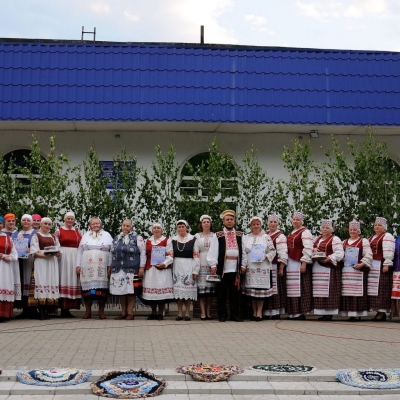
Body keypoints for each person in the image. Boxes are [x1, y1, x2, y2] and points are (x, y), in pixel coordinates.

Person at [208, 209, 248, 322]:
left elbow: (244, 251)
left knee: (235, 293)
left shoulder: (240, 235)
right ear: (223, 221)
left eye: (231, 219)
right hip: (222, 268)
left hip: (236, 268)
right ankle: (222, 315)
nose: (229, 221)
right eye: (227, 219)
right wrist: (213, 264)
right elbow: (213, 250)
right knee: (222, 293)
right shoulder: (218, 235)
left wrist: (244, 265)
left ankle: (235, 315)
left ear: (234, 221)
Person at [76, 217, 113, 320]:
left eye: (97, 223)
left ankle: (101, 312)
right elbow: (80, 251)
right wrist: (77, 265)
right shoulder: (85, 236)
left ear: (100, 224)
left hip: (102, 266)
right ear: (90, 225)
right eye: (93, 224)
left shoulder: (107, 235)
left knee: (102, 291)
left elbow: (111, 251)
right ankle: (88, 311)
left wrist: (110, 265)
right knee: (87, 291)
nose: (95, 225)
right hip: (87, 267)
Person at [109, 219, 146, 320]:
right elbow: (111, 253)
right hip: (117, 269)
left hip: (131, 269)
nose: (125, 228)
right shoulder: (116, 238)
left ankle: (130, 313)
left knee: (130, 292)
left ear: (131, 227)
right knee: (121, 291)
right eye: (124, 225)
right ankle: (123, 312)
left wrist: (142, 267)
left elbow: (143, 252)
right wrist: (110, 266)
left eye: (128, 226)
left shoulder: (137, 238)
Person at [243, 216, 276, 321]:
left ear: (261, 225)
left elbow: (273, 251)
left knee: (260, 290)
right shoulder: (246, 237)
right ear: (251, 226)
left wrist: (267, 256)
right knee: (253, 290)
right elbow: (243, 251)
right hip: (251, 266)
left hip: (263, 266)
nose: (256, 226)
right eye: (254, 224)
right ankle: (254, 312)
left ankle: (259, 312)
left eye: (257, 224)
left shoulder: (266, 237)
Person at [29, 217, 61, 320]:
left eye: (49, 224)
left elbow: (58, 248)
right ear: (41, 225)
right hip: (41, 262)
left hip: (51, 262)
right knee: (41, 282)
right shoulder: (36, 236)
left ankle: (47, 310)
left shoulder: (53, 237)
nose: (47, 226)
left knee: (50, 282)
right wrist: (45, 256)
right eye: (45, 224)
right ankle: (41, 311)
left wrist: (57, 253)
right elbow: (34, 252)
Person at [312, 219, 344, 321]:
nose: (324, 229)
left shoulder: (335, 239)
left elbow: (339, 252)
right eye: (323, 227)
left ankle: (329, 313)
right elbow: (310, 248)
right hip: (318, 268)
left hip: (329, 268)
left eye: (327, 228)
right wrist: (314, 249)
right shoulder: (317, 239)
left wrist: (329, 258)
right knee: (319, 290)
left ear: (331, 229)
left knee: (329, 290)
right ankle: (321, 311)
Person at [341, 220, 372, 321]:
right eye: (351, 230)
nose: (353, 231)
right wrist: (341, 258)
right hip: (346, 270)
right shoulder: (344, 242)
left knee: (357, 292)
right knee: (347, 292)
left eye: (355, 230)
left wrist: (362, 264)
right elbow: (339, 253)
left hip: (357, 270)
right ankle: (350, 313)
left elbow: (368, 254)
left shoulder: (363, 241)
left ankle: (357, 314)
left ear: (358, 231)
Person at [142, 222, 174, 321]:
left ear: (162, 230)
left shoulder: (167, 240)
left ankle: (160, 312)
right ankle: (153, 312)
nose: (156, 230)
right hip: (150, 269)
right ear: (152, 230)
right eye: (154, 228)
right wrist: (142, 266)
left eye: (158, 228)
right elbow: (143, 255)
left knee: (160, 290)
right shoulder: (147, 240)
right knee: (152, 290)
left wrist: (164, 263)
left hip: (162, 269)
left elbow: (170, 255)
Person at [286, 211, 313, 320]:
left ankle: (300, 312)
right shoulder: (292, 232)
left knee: (299, 287)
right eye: (294, 219)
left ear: (301, 221)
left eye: (298, 220)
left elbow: (308, 248)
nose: (295, 221)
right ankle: (293, 312)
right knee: (292, 287)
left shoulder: (305, 232)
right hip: (291, 261)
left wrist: (304, 263)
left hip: (299, 261)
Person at [54, 211, 82, 318]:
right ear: (64, 219)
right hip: (63, 257)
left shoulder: (76, 231)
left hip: (74, 257)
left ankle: (68, 309)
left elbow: (81, 244)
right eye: (68, 218)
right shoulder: (59, 230)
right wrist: (58, 252)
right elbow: (54, 242)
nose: (70, 220)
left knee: (72, 280)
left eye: (72, 219)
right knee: (63, 279)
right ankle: (62, 309)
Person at [368, 217, 395, 321]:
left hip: (381, 264)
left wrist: (386, 264)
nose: (377, 227)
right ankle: (377, 311)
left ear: (384, 227)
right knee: (374, 289)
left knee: (382, 289)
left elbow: (389, 250)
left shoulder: (387, 236)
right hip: (372, 265)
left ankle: (381, 312)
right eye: (375, 225)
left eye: (379, 225)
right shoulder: (372, 237)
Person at [172, 220, 200, 321]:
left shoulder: (193, 239)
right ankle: (179, 313)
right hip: (177, 266)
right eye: (179, 227)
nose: (180, 229)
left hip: (189, 265)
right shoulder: (173, 239)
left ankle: (187, 313)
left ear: (186, 228)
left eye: (182, 227)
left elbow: (196, 255)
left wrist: (195, 270)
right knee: (179, 291)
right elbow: (170, 254)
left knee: (187, 291)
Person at [264, 214, 288, 320]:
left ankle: (276, 311)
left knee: (275, 288)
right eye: (271, 222)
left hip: (275, 265)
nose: (272, 224)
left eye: (274, 222)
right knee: (267, 287)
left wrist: (281, 267)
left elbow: (283, 252)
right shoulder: (264, 234)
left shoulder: (280, 236)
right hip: (265, 265)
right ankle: (267, 310)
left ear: (277, 223)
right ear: (267, 223)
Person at [194, 215, 217, 320]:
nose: (206, 223)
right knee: (202, 291)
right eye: (204, 222)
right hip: (201, 260)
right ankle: (203, 313)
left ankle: (209, 312)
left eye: (208, 222)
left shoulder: (214, 235)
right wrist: (196, 267)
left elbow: (216, 250)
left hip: (212, 263)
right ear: (201, 224)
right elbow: (195, 252)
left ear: (210, 224)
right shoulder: (197, 236)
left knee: (210, 291)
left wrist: (214, 264)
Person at [15, 214, 36, 319]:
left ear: (31, 222)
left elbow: (37, 245)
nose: (26, 222)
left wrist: (30, 249)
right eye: (24, 220)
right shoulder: (19, 233)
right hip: (21, 260)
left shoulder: (35, 233)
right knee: (23, 281)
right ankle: (25, 308)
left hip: (31, 260)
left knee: (31, 281)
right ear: (21, 222)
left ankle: (32, 308)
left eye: (28, 220)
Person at [0, 231, 20, 321]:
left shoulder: (8, 238)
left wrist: (6, 257)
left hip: (4, 265)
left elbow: (14, 253)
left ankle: (3, 314)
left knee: (4, 285)